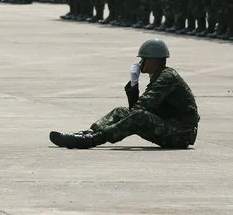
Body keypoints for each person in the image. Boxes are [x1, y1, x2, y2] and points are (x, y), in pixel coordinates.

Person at [49, 39, 199, 149]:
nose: (140, 63)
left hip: (180, 134)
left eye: (143, 59)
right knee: (120, 112)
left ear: (153, 60)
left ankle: (91, 140)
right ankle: (88, 132)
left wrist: (134, 87)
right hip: (170, 128)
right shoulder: (158, 76)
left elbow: (140, 110)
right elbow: (135, 109)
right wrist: (133, 84)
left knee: (138, 116)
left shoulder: (167, 77)